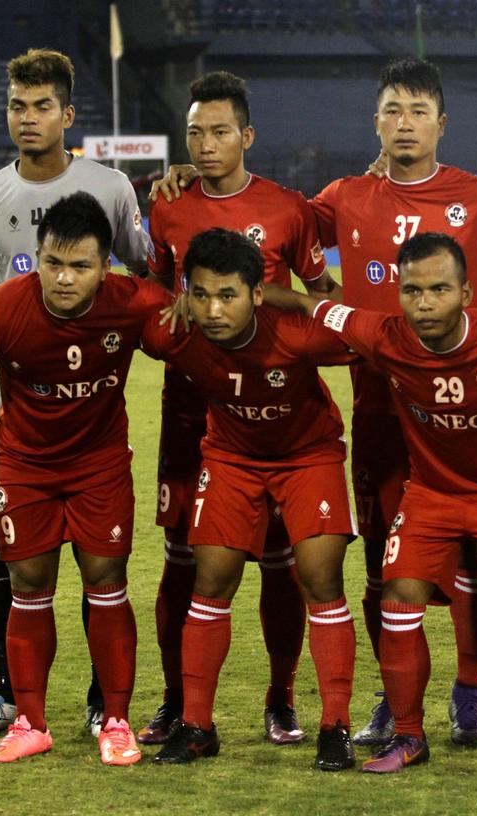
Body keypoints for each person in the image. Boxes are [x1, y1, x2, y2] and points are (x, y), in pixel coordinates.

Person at [152, 58, 477, 748]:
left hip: (473, 414)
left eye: (418, 112)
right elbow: (266, 221)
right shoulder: (342, 197)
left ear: (442, 123)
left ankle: (469, 691)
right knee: (384, 565)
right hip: (380, 408)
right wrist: (191, 180)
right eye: (392, 111)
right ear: (376, 123)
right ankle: (395, 701)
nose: (405, 124)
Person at [271, 232, 477, 776]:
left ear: (467, 292)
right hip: (431, 493)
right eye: (412, 291)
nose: (425, 303)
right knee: (399, 596)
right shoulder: (384, 336)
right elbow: (318, 307)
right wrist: (262, 292)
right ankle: (409, 736)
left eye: (439, 289)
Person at [0, 47, 148, 740]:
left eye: (42, 106)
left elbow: (144, 273)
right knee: (10, 554)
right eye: (18, 106)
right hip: (6, 405)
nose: (28, 118)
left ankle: (98, 701)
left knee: (96, 559)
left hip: (87, 409)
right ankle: (7, 692)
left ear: (67, 114)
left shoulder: (110, 188)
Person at [139, 70, 337, 749]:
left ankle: (280, 698)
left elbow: (321, 292)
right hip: (191, 405)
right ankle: (176, 699)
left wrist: (283, 305)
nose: (207, 143)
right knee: (183, 557)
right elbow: (149, 294)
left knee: (284, 563)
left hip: (278, 402)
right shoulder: (164, 206)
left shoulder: (287, 208)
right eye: (195, 131)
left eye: (220, 131)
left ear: (247, 136)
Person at [0, 191, 170, 765]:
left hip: (100, 465)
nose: (64, 279)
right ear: (37, 258)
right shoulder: (0, 308)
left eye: (81, 266)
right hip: (25, 465)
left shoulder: (134, 301)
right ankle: (31, 723)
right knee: (29, 584)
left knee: (106, 579)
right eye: (53, 263)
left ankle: (115, 721)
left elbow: (194, 347)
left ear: (105, 265)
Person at [142, 228, 359, 769]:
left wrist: (302, 298)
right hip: (231, 460)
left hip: (309, 457)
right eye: (200, 295)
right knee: (210, 580)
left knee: (320, 579)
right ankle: (197, 725)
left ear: (257, 294)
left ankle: (336, 725)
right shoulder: (174, 333)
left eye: (228, 295)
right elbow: (114, 308)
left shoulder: (298, 334)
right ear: (185, 294)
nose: (213, 310)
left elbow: (373, 332)